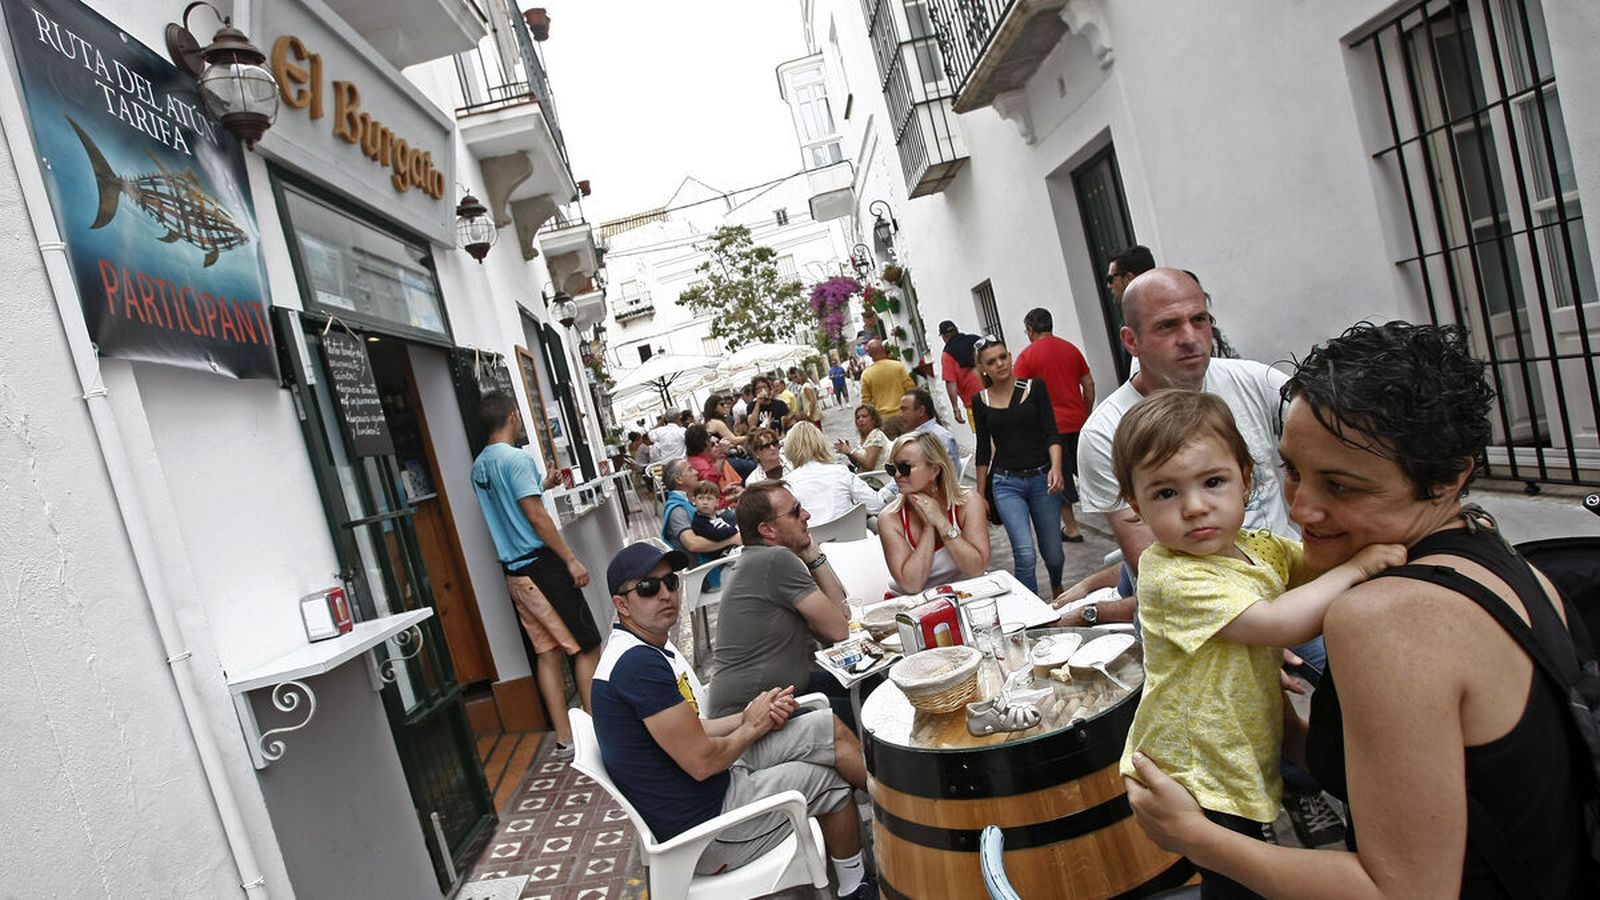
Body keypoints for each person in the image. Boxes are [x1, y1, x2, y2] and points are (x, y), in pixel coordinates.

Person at [1125, 321, 1599, 899]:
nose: (1302, 509)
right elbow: (1419, 778)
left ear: (1449, 478)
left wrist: (1195, 837)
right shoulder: (1504, 560)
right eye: (1293, 471)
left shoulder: (1383, 617)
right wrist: (1274, 717)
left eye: (1342, 487)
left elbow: (1403, 892)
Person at [1070, 267, 1342, 846]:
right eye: (1168, 326)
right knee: (1238, 840)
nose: (1191, 336)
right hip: (1215, 667)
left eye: (1200, 319)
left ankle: (1324, 778)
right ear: (1132, 342)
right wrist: (1274, 627)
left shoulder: (1258, 383)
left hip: (1262, 582)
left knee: (1328, 700)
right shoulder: (1104, 434)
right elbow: (1147, 560)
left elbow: (1317, 503)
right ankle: (1295, 793)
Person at [1112, 389, 1405, 898]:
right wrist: (1362, 566)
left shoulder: (1256, 546)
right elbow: (1277, 623)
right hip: (1194, 765)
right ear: (1136, 506)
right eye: (1165, 494)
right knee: (1236, 881)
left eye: (1213, 482)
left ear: (1246, 479)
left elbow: (1314, 568)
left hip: (1235, 740)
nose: (1196, 507)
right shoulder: (1170, 575)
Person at [592, 542, 875, 897]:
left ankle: (900, 812)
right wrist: (753, 726)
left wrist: (747, 715)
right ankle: (859, 883)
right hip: (708, 828)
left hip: (710, 788)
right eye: (648, 588)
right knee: (827, 782)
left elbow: (692, 731)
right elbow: (701, 761)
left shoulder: (640, 649)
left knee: (823, 726)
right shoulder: (638, 666)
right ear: (622, 605)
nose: (665, 594)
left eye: (671, 583)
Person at [470, 392, 602, 760]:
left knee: (546, 654)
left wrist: (541, 486)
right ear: (512, 416)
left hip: (514, 573)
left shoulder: (479, 466)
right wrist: (571, 560)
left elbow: (511, 504)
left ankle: (565, 740)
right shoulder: (516, 458)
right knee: (587, 646)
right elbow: (535, 517)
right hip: (541, 565)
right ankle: (596, 733)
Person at [709, 481, 857, 728]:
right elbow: (840, 630)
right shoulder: (774, 560)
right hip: (746, 720)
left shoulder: (762, 559)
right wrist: (813, 558)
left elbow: (841, 618)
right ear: (767, 530)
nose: (806, 515)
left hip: (780, 698)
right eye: (795, 511)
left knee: (862, 686)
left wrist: (813, 556)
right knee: (862, 706)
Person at [971, 336, 1067, 598]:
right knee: (1024, 553)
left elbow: (1051, 433)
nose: (1000, 364)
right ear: (984, 368)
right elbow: (982, 450)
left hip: (1042, 478)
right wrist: (980, 497)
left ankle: (1057, 586)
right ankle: (1032, 610)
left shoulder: (1034, 388)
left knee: (1054, 553)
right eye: (992, 361)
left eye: (1003, 357)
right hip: (1006, 482)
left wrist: (1056, 467)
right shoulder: (980, 401)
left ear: (1011, 356)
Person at [1013, 307, 1095, 542]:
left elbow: (1018, 395)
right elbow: (1089, 385)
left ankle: (1071, 528)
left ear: (1030, 330)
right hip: (1078, 423)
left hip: (1049, 430)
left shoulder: (1026, 357)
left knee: (1058, 477)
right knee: (1090, 472)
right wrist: (1086, 412)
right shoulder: (1071, 349)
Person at [879, 431, 990, 594]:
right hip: (913, 605)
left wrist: (942, 522)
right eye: (891, 468)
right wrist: (928, 528)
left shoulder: (968, 502)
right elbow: (911, 585)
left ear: (934, 470)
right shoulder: (890, 518)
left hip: (965, 595)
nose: (897, 475)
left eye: (905, 467)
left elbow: (976, 569)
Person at [780, 422, 884, 524]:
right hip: (852, 537)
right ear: (821, 444)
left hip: (813, 538)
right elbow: (876, 505)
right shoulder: (840, 472)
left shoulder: (786, 485)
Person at [662, 459, 741, 564]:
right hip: (705, 568)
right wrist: (733, 539)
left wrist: (720, 494)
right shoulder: (677, 510)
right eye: (690, 470)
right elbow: (693, 544)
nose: (696, 472)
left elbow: (710, 511)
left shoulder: (689, 501)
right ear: (679, 479)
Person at [898, 388, 961, 470]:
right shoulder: (907, 436)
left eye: (904, 410)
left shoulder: (942, 438)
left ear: (921, 411)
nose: (900, 415)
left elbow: (950, 476)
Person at [938, 320, 983, 427]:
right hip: (993, 394)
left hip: (973, 403)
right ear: (957, 330)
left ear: (944, 337)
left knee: (984, 437)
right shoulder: (976, 340)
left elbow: (951, 383)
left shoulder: (947, 354)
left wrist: (955, 408)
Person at [684, 425, 741, 507]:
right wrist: (736, 496)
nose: (716, 446)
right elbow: (714, 501)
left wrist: (723, 491)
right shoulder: (702, 465)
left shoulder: (695, 461)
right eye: (712, 443)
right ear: (706, 442)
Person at [859, 339, 914, 420]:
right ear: (884, 350)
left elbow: (866, 401)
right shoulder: (898, 366)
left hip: (882, 418)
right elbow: (911, 388)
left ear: (870, 355)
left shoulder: (866, 374)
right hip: (902, 413)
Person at [833, 404, 891, 474]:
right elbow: (858, 463)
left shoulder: (875, 434)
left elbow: (868, 466)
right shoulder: (862, 438)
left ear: (873, 419)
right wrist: (849, 453)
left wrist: (851, 451)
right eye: (858, 418)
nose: (860, 419)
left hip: (878, 478)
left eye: (864, 416)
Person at [689, 481, 739, 558]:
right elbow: (714, 534)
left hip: (733, 548)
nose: (705, 502)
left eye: (709, 498)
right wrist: (735, 530)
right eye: (700, 498)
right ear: (694, 501)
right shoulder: (698, 521)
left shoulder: (716, 516)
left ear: (717, 502)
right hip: (723, 555)